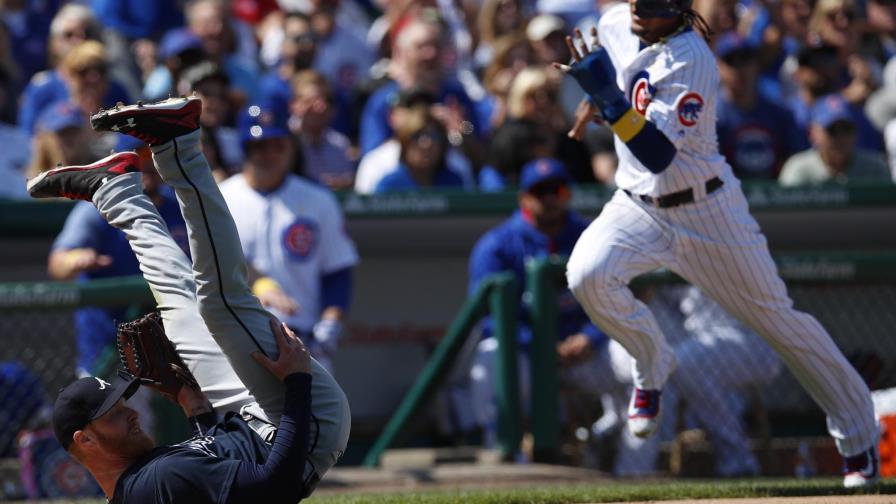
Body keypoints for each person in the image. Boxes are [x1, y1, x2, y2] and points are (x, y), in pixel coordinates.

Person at [557, 0, 879, 488]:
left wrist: (607, 99)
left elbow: (659, 153)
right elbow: (620, 79)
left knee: (781, 324)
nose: (640, 7)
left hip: (705, 211)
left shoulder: (693, 59)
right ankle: (651, 361)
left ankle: (859, 438)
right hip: (637, 205)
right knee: (586, 274)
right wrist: (595, 104)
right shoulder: (616, 23)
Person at [29, 96, 350, 501]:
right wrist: (299, 383)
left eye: (121, 402)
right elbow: (277, 486)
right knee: (220, 302)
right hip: (303, 420)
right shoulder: (150, 484)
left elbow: (211, 471)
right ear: (85, 441)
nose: (130, 412)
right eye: (112, 413)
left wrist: (195, 408)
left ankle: (113, 190)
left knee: (178, 306)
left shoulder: (141, 479)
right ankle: (178, 144)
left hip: (251, 415)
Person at [466, 158, 615, 446]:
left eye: (556, 191)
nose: (549, 199)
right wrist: (538, 343)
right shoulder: (498, 245)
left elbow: (615, 297)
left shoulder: (592, 237)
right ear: (523, 198)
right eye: (539, 192)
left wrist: (590, 336)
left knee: (637, 357)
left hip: (583, 353)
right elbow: (486, 318)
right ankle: (499, 445)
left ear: (568, 194)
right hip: (525, 354)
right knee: (489, 354)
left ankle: (631, 462)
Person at [220, 103, 359, 373]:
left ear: (290, 145)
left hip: (303, 339)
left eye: (276, 145)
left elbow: (338, 270)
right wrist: (259, 285)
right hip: (237, 340)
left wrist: (331, 323)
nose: (269, 154)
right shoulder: (221, 199)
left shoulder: (318, 199)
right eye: (259, 146)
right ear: (245, 149)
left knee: (318, 415)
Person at [779, 93, 891, 186]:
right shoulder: (799, 169)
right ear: (813, 133)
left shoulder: (875, 167)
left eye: (846, 129)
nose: (840, 138)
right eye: (831, 130)